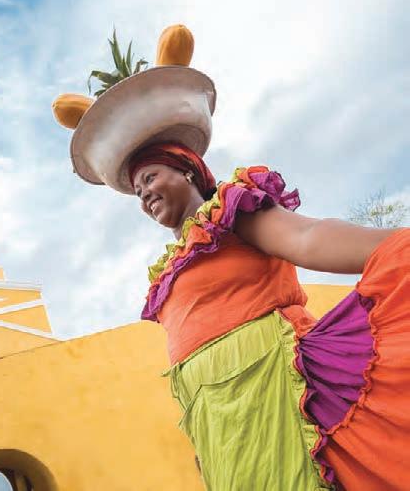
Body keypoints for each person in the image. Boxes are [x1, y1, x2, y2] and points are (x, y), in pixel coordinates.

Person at [52, 24, 409, 490]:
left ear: (187, 171)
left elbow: (308, 237)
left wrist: (393, 245)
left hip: (276, 391)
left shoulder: (230, 213)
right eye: (137, 190)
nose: (144, 195)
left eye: (151, 178)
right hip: (222, 429)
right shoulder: (168, 272)